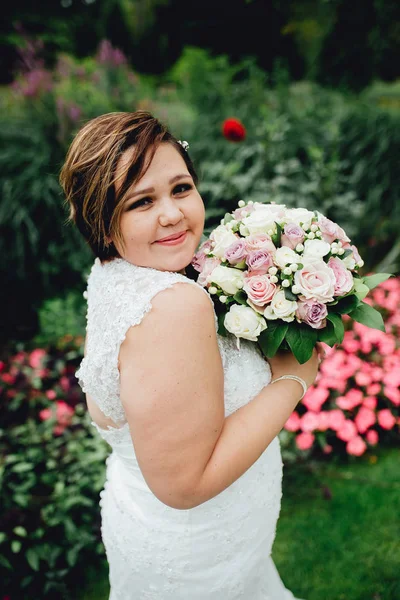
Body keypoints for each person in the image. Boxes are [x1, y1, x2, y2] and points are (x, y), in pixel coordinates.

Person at [60, 110, 319, 599]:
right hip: (199, 557)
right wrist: (294, 379)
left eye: (180, 188)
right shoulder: (174, 305)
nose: (173, 213)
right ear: (103, 220)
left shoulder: (113, 272)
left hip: (148, 525)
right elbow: (184, 485)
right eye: (142, 202)